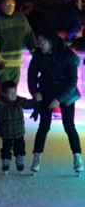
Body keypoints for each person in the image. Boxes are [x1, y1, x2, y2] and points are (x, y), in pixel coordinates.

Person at [28, 29, 82, 175]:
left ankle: (77, 157)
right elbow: (31, 75)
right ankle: (37, 157)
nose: (40, 45)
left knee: (69, 126)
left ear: (51, 43)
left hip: (65, 94)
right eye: (38, 42)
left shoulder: (67, 56)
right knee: (44, 126)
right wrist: (35, 91)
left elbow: (72, 81)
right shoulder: (39, 55)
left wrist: (59, 99)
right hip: (46, 92)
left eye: (42, 42)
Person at [0, 80, 37, 174]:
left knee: (20, 147)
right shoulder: (2, 103)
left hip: (18, 131)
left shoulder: (20, 101)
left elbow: (28, 104)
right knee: (6, 148)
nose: (13, 94)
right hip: (6, 132)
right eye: (10, 93)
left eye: (15, 92)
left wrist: (36, 99)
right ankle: (6, 160)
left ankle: (19, 157)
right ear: (4, 94)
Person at [0, 0, 36, 96]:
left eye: (12, 4)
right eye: (7, 4)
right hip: (2, 62)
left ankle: (12, 110)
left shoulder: (21, 18)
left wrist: (34, 49)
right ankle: (2, 110)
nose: (10, 7)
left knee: (13, 91)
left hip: (16, 61)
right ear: (1, 6)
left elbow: (29, 35)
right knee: (3, 91)